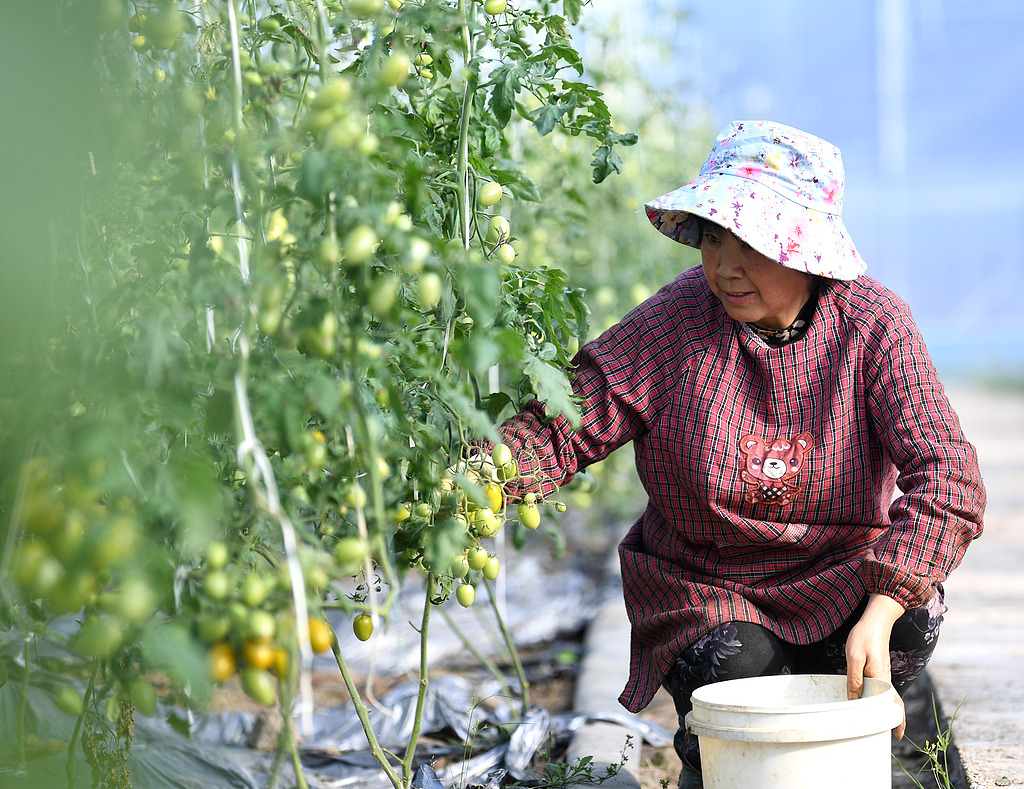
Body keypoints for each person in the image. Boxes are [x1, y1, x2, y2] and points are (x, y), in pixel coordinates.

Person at [492, 120, 986, 786]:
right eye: (713, 238)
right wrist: (480, 472)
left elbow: (948, 477)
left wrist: (885, 604)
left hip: (839, 576)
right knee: (734, 662)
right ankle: (723, 760)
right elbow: (573, 415)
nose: (725, 266)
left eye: (750, 241)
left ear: (808, 250)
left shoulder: (873, 326)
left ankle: (887, 732)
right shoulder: (676, 323)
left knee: (906, 621)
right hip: (707, 585)